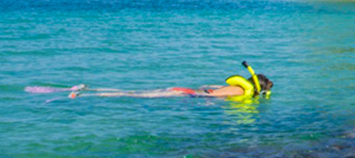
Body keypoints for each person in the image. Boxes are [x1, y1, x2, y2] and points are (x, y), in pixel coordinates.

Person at [69, 63, 273, 99]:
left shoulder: (237, 85)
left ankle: (89, 89)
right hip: (186, 94)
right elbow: (212, 95)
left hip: (186, 90)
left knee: (134, 92)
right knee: (134, 95)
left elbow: (208, 87)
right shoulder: (239, 91)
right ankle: (85, 94)